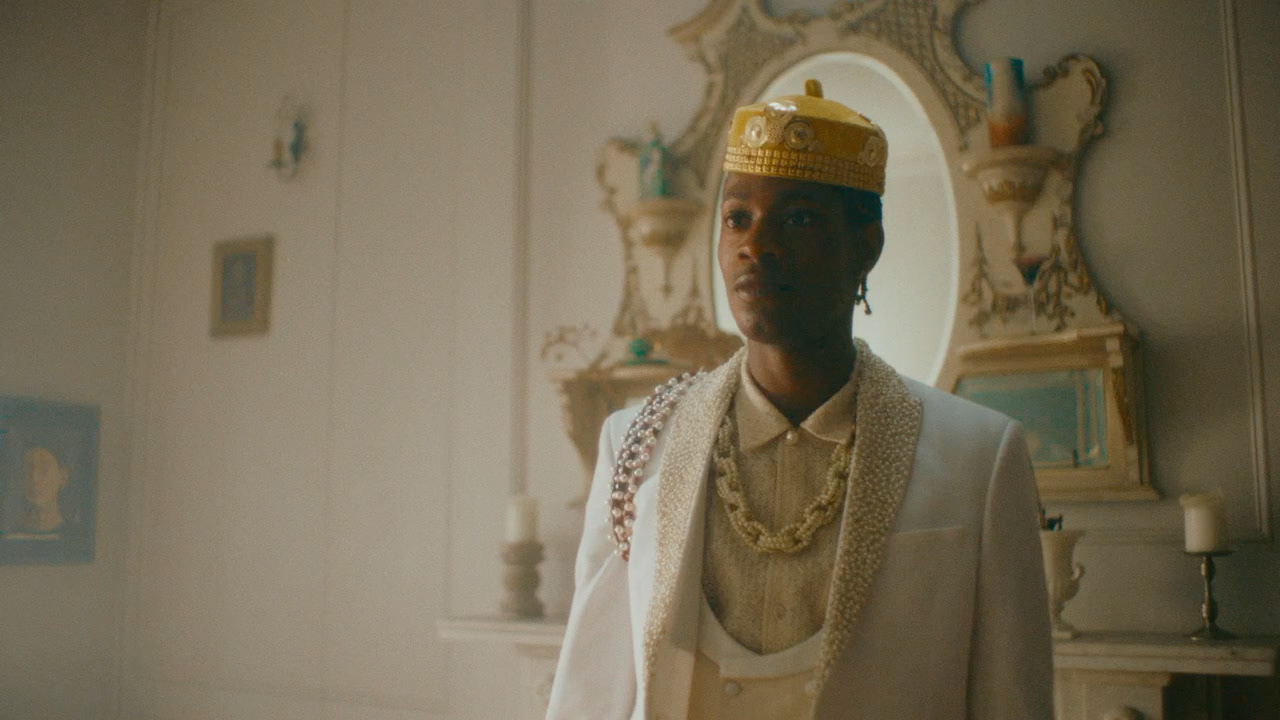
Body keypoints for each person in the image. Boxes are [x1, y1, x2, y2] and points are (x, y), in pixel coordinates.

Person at [546, 80, 1052, 720]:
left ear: (866, 245)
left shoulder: (979, 456)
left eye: (799, 218)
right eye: (738, 218)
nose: (757, 243)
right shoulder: (637, 444)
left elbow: (1012, 702)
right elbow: (590, 695)